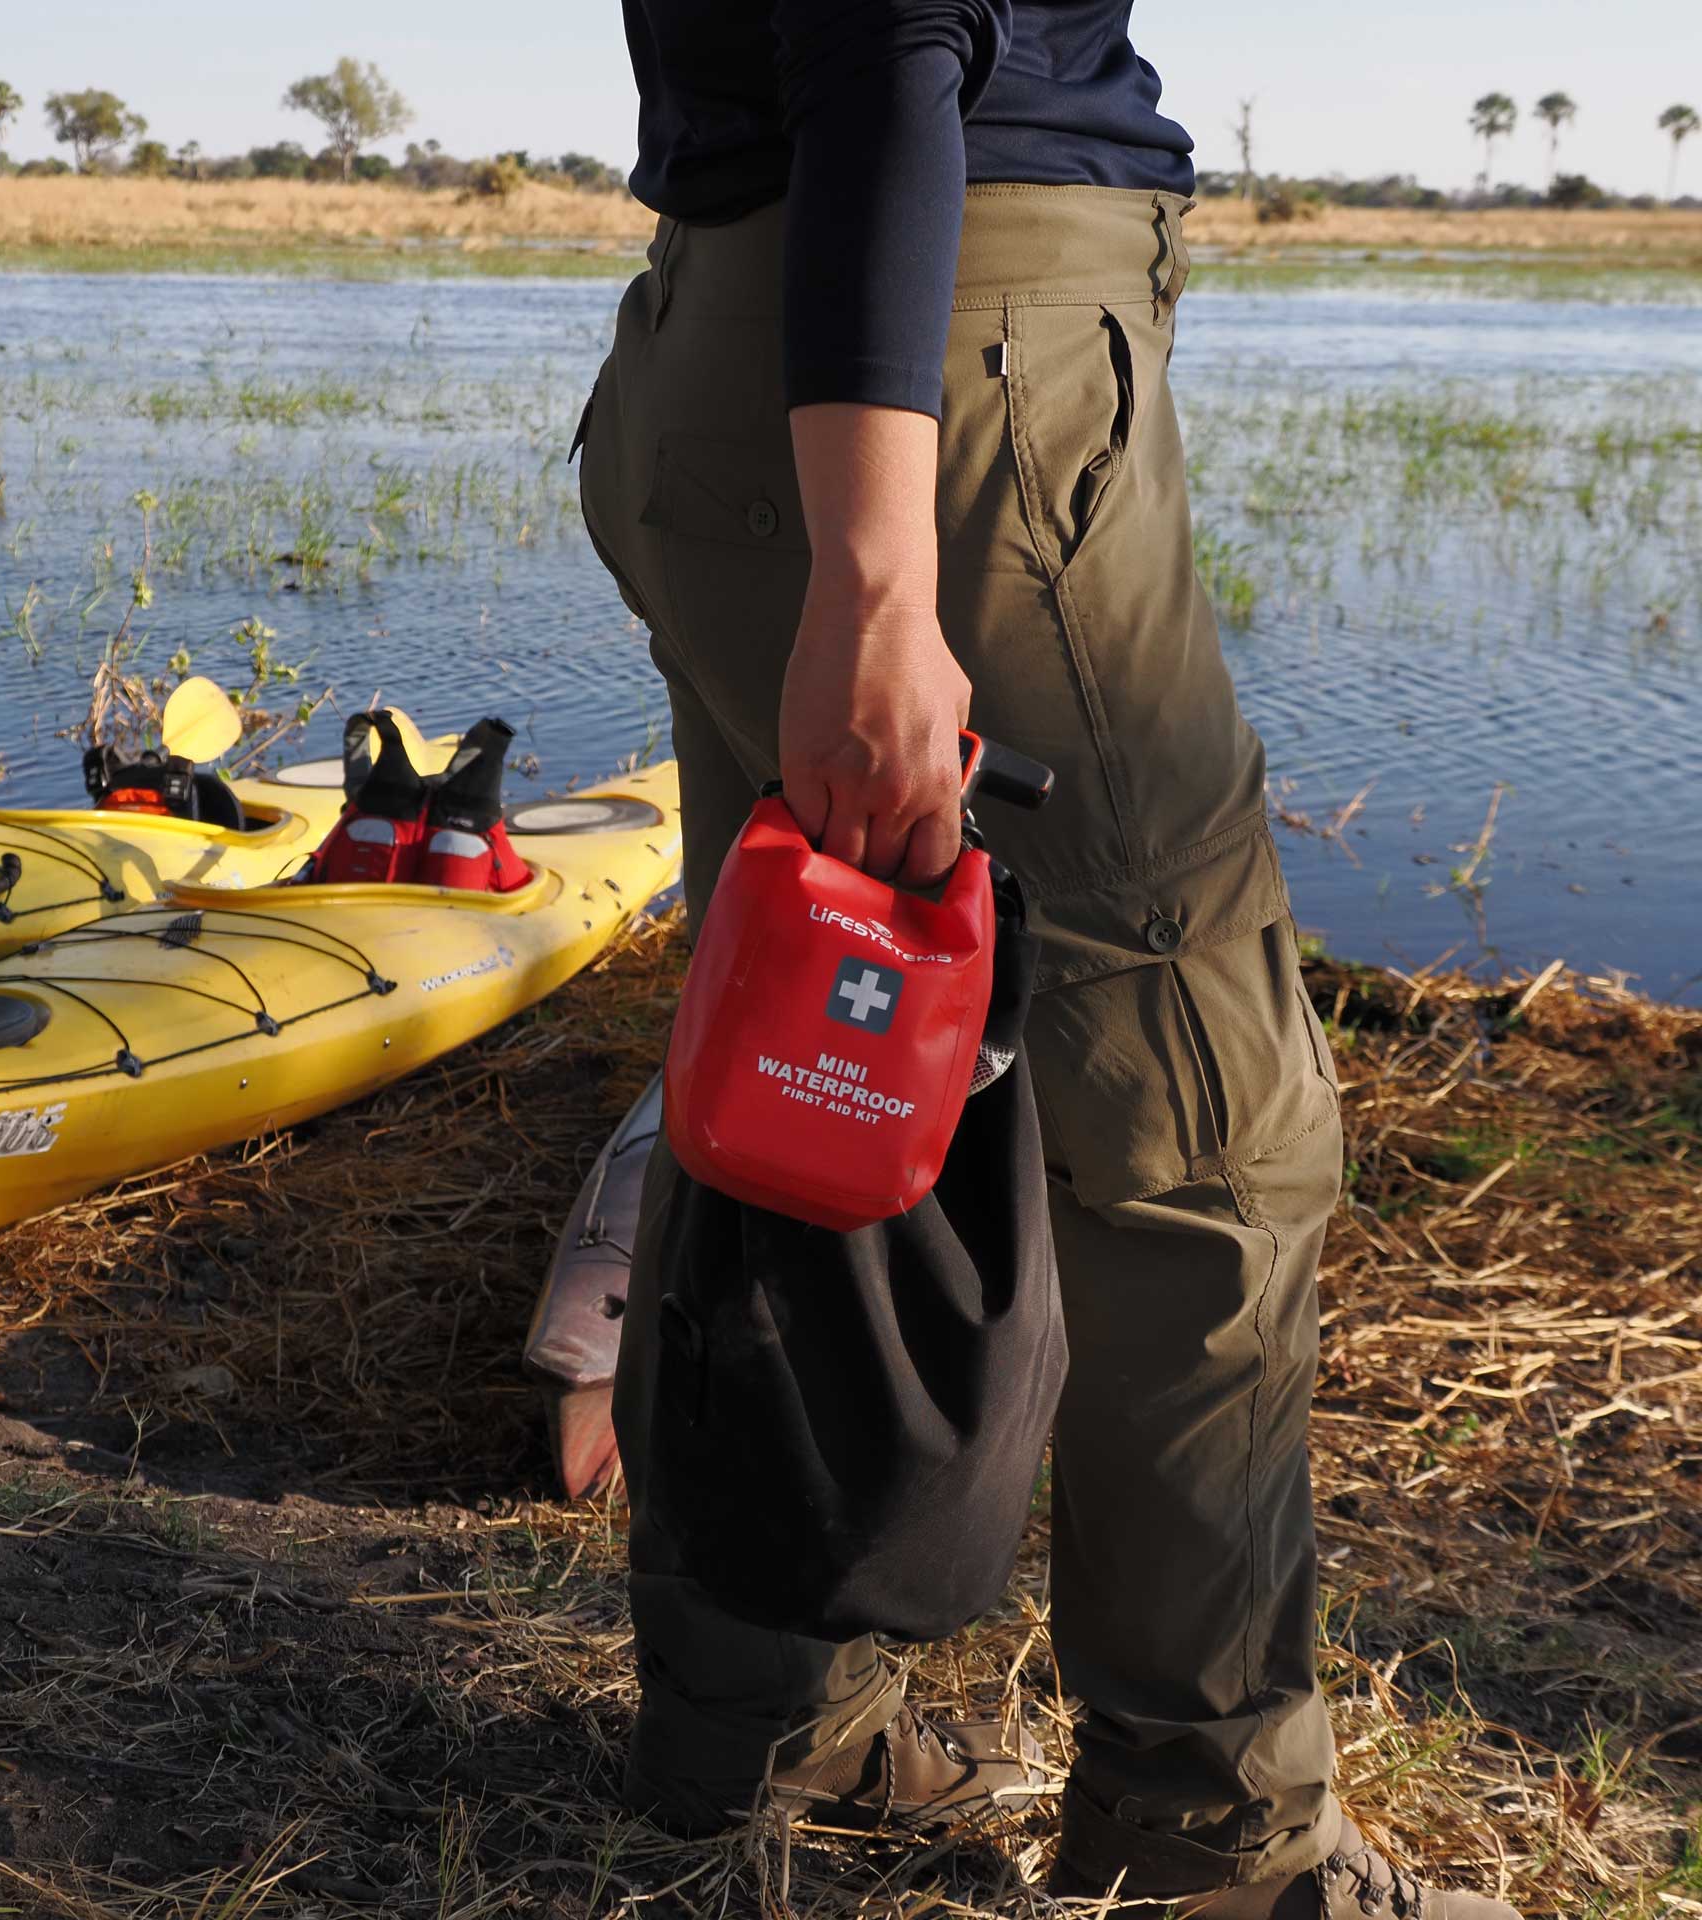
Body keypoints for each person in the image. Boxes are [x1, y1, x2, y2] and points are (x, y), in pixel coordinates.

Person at [577, 6, 1519, 1915]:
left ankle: (756, 1719)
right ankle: (1211, 1834)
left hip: (732, 347)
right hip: (945, 393)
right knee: (1207, 1147)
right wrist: (878, 582)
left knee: (787, 1076)